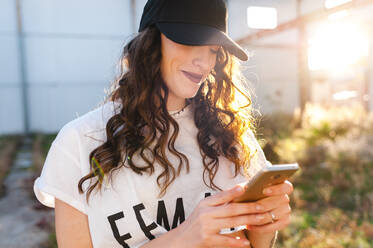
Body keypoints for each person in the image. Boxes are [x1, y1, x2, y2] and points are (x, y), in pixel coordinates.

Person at [33, 0, 294, 247]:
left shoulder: (232, 138)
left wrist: (264, 226)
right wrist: (183, 239)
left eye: (214, 50)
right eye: (191, 41)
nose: (204, 63)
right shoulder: (80, 143)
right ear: (150, 42)